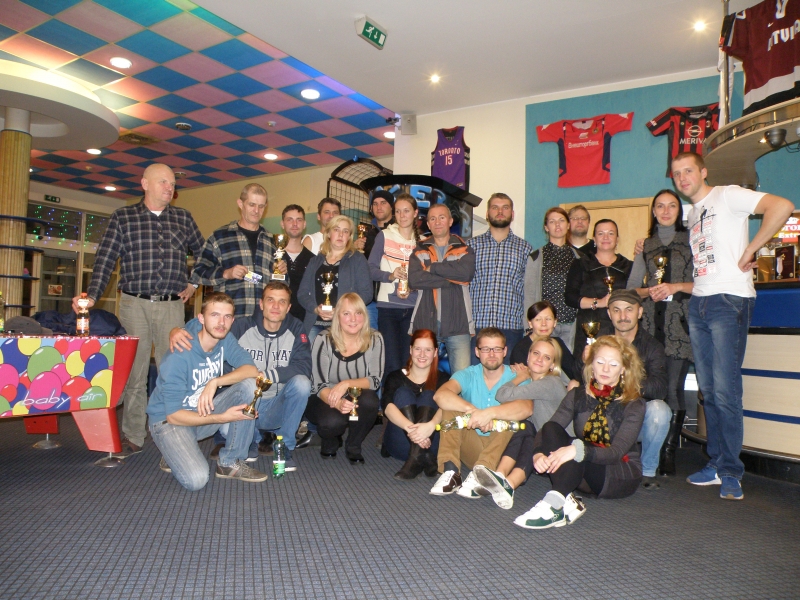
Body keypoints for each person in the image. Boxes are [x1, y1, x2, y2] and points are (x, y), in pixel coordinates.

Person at [672, 151, 794, 500]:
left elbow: (782, 206)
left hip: (729, 301)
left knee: (726, 391)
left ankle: (730, 471)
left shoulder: (727, 195)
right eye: (676, 174)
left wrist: (752, 249)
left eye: (688, 170)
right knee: (709, 391)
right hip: (700, 303)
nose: (682, 178)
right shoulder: (692, 213)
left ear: (703, 172)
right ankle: (715, 463)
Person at [74, 163, 204, 458]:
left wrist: (194, 283)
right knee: (135, 372)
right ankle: (134, 434)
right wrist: (92, 297)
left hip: (172, 306)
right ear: (144, 183)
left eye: (172, 184)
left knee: (174, 372)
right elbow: (105, 259)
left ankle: (174, 431)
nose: (169, 188)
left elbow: (205, 254)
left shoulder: (183, 218)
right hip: (134, 305)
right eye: (163, 182)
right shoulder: (123, 217)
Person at [169, 282, 312, 472]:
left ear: (288, 307)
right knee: (245, 389)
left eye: (282, 302)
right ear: (261, 304)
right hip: (241, 406)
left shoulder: (296, 328)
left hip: (276, 407)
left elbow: (304, 367)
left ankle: (284, 448)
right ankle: (250, 440)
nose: (276, 306)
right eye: (270, 300)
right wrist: (179, 330)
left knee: (302, 383)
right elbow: (212, 325)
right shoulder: (242, 326)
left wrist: (265, 375)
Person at [513, 335, 646, 529]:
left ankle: (554, 503)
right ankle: (564, 499)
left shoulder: (634, 404)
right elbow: (550, 428)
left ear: (623, 369)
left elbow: (616, 452)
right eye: (600, 362)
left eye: (613, 364)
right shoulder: (577, 394)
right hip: (582, 465)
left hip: (617, 471)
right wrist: (538, 453)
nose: (605, 369)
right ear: (591, 364)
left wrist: (577, 450)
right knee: (552, 429)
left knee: (578, 448)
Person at [147, 292, 266, 491]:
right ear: (201, 319)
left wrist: (215, 382)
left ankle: (230, 462)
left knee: (251, 385)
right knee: (197, 480)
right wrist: (221, 418)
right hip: (169, 422)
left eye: (227, 317)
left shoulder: (224, 339)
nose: (221, 322)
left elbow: (252, 370)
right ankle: (172, 451)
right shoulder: (179, 355)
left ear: (232, 320)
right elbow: (173, 416)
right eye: (215, 315)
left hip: (200, 411)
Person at [571, 289, 670, 489]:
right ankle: (581, 457)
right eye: (616, 310)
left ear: (640, 312)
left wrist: (622, 382)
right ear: (609, 314)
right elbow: (578, 376)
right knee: (573, 387)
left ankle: (647, 470)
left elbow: (660, 388)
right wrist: (584, 361)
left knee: (660, 410)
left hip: (633, 419)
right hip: (601, 416)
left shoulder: (652, 346)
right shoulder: (598, 340)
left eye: (629, 310)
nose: (623, 316)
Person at [627, 189, 694, 476]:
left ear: (679, 211)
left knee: (673, 389)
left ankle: (668, 451)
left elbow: (704, 284)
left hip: (680, 327)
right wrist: (649, 291)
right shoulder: (645, 246)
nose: (666, 211)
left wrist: (673, 287)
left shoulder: (692, 240)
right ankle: (644, 447)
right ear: (653, 211)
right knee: (646, 387)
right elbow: (632, 289)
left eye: (672, 206)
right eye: (660, 206)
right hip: (648, 329)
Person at [429, 327, 532, 499]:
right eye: (486, 349)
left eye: (497, 349)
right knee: (450, 406)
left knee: (512, 417)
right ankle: (451, 472)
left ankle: (482, 473)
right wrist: (474, 412)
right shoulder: (468, 374)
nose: (491, 354)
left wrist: (490, 413)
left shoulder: (517, 375)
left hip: (501, 453)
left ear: (505, 351)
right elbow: (440, 395)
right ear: (477, 352)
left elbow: (527, 408)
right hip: (472, 443)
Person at [473, 336, 569, 509]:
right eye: (536, 353)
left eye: (547, 357)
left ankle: (502, 477)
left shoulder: (551, 383)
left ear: (552, 365)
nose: (539, 359)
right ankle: (505, 482)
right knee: (524, 427)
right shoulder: (535, 382)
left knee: (526, 427)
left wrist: (520, 376)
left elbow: (502, 394)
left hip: (560, 454)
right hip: (541, 454)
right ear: (528, 356)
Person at [306, 293, 385, 464]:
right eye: (346, 313)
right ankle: (331, 440)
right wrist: (338, 403)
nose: (353, 319)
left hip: (357, 394)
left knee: (370, 400)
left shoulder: (375, 338)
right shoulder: (323, 339)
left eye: (358, 313)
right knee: (332, 422)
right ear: (337, 317)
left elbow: (375, 380)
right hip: (323, 396)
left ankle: (354, 445)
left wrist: (346, 384)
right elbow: (318, 385)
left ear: (365, 316)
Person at [189, 183, 285, 318]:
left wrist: (282, 272)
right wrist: (226, 273)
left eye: (261, 206)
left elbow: (282, 285)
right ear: (240, 204)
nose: (256, 210)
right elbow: (198, 273)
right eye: (252, 205)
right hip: (230, 319)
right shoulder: (219, 237)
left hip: (263, 320)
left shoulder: (272, 241)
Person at [407, 203, 476, 374]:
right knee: (421, 378)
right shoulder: (419, 249)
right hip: (425, 323)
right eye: (432, 218)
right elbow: (414, 280)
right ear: (428, 224)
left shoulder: (465, 249)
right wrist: (452, 279)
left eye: (442, 217)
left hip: (458, 324)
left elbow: (465, 274)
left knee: (461, 381)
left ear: (450, 221)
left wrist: (433, 268)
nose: (437, 222)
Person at [468, 193, 533, 363]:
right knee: (475, 377)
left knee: (509, 378)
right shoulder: (471, 246)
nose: (500, 211)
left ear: (512, 214)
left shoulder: (525, 249)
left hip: (511, 329)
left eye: (505, 208)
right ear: (487, 213)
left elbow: (529, 290)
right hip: (476, 327)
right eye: (495, 207)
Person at [382, 329, 449, 480]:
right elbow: (387, 407)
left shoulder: (444, 379)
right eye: (418, 349)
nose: (422, 354)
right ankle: (422, 456)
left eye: (428, 350)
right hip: (401, 443)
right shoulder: (395, 377)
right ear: (411, 350)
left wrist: (431, 425)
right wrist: (414, 432)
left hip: (432, 443)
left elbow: (448, 407)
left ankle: (416, 457)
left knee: (429, 395)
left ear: (435, 352)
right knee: (403, 393)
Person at [297, 214, 373, 342]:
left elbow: (367, 293)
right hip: (315, 323)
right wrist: (315, 309)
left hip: (345, 325)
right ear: (328, 233)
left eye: (345, 231)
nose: (341, 235)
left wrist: (341, 310)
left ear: (349, 236)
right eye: (336, 230)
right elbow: (302, 293)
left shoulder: (358, 259)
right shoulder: (315, 261)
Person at [368, 193, 420, 381]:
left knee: (408, 362)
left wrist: (413, 287)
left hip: (413, 308)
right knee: (390, 363)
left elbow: (426, 276)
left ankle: (405, 398)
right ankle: (390, 399)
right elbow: (370, 269)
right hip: (388, 308)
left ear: (415, 213)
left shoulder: (422, 242)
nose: (402, 215)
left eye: (406, 211)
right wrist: (390, 276)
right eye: (398, 211)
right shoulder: (384, 235)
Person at [565, 218, 632, 355]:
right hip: (589, 328)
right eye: (601, 233)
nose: (606, 237)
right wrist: (599, 302)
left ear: (617, 239)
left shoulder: (629, 266)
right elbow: (570, 297)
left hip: (621, 329)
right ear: (594, 239)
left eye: (611, 233)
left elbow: (637, 296)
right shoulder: (580, 264)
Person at [523, 207, 581, 350]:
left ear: (568, 225)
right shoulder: (535, 257)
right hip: (544, 326)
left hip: (571, 325)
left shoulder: (580, 257)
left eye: (561, 220)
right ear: (546, 227)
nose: (557, 225)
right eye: (552, 221)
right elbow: (529, 295)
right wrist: (529, 327)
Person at [509, 300, 576, 381]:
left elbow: (575, 373)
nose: (544, 324)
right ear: (530, 323)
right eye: (538, 319)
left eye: (548, 319)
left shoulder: (557, 343)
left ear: (555, 322)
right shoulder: (521, 349)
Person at [280, 204, 314, 324]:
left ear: (304, 224)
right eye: (290, 220)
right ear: (282, 224)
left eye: (299, 220)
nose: (295, 224)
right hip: (275, 320)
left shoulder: (313, 260)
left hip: (302, 322)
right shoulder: (271, 255)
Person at [355, 189, 395, 259]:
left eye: (383, 203)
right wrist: (354, 250)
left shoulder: (400, 231)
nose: (379, 207)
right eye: (375, 204)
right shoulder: (367, 237)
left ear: (391, 207)